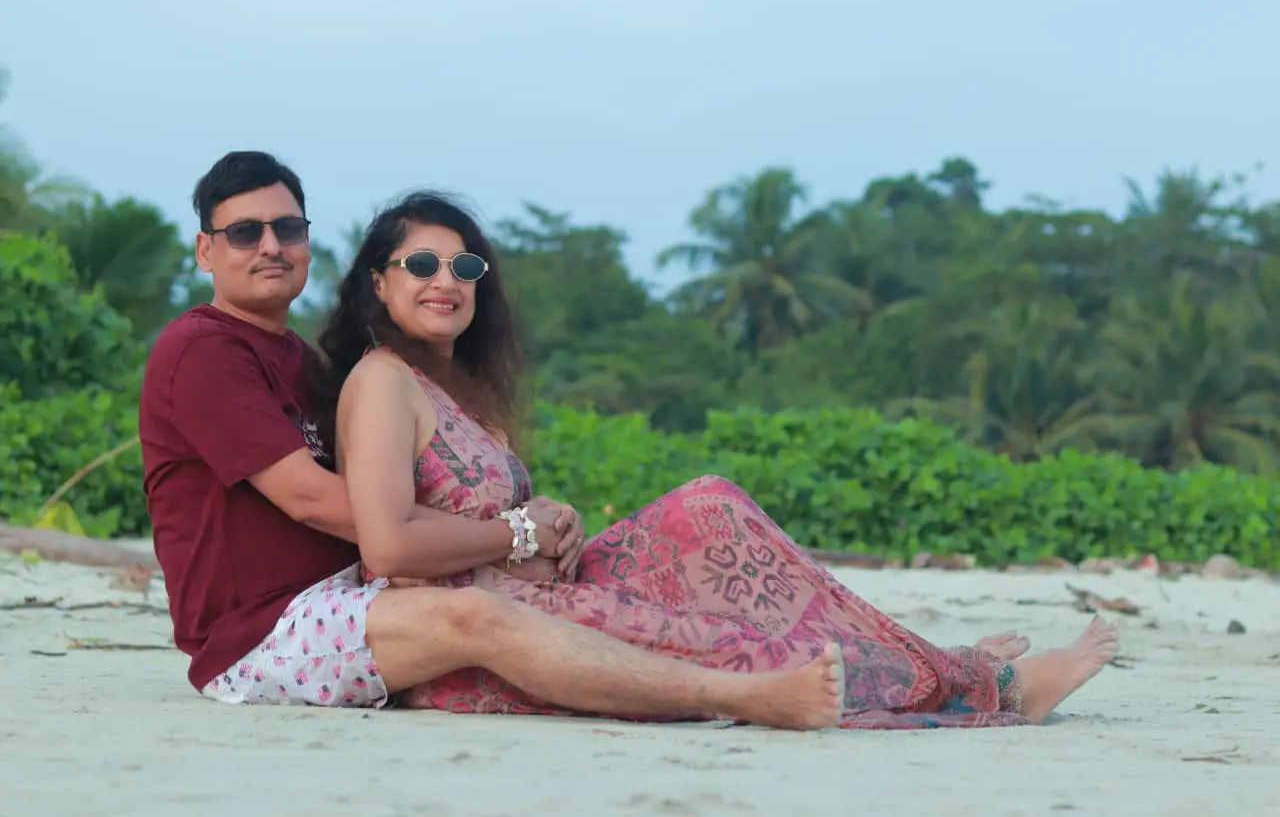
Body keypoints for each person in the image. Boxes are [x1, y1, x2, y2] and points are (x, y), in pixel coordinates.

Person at [306, 189, 1121, 730]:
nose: (445, 280)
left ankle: (932, 660)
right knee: (726, 637)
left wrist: (548, 524)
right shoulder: (381, 384)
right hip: (477, 638)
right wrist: (521, 532)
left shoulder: (453, 389)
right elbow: (389, 546)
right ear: (379, 282)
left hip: (536, 589)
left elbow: (487, 521)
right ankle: (994, 687)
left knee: (709, 506)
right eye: (420, 265)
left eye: (465, 266)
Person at [140, 150, 849, 730]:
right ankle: (745, 697)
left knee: (675, 538)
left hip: (356, 595)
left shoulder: (306, 361)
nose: (270, 245)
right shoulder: (203, 350)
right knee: (476, 612)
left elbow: (397, 498)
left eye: (287, 229)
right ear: (206, 249)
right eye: (244, 232)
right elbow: (315, 500)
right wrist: (510, 534)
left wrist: (531, 530)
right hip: (263, 632)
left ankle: (818, 651)